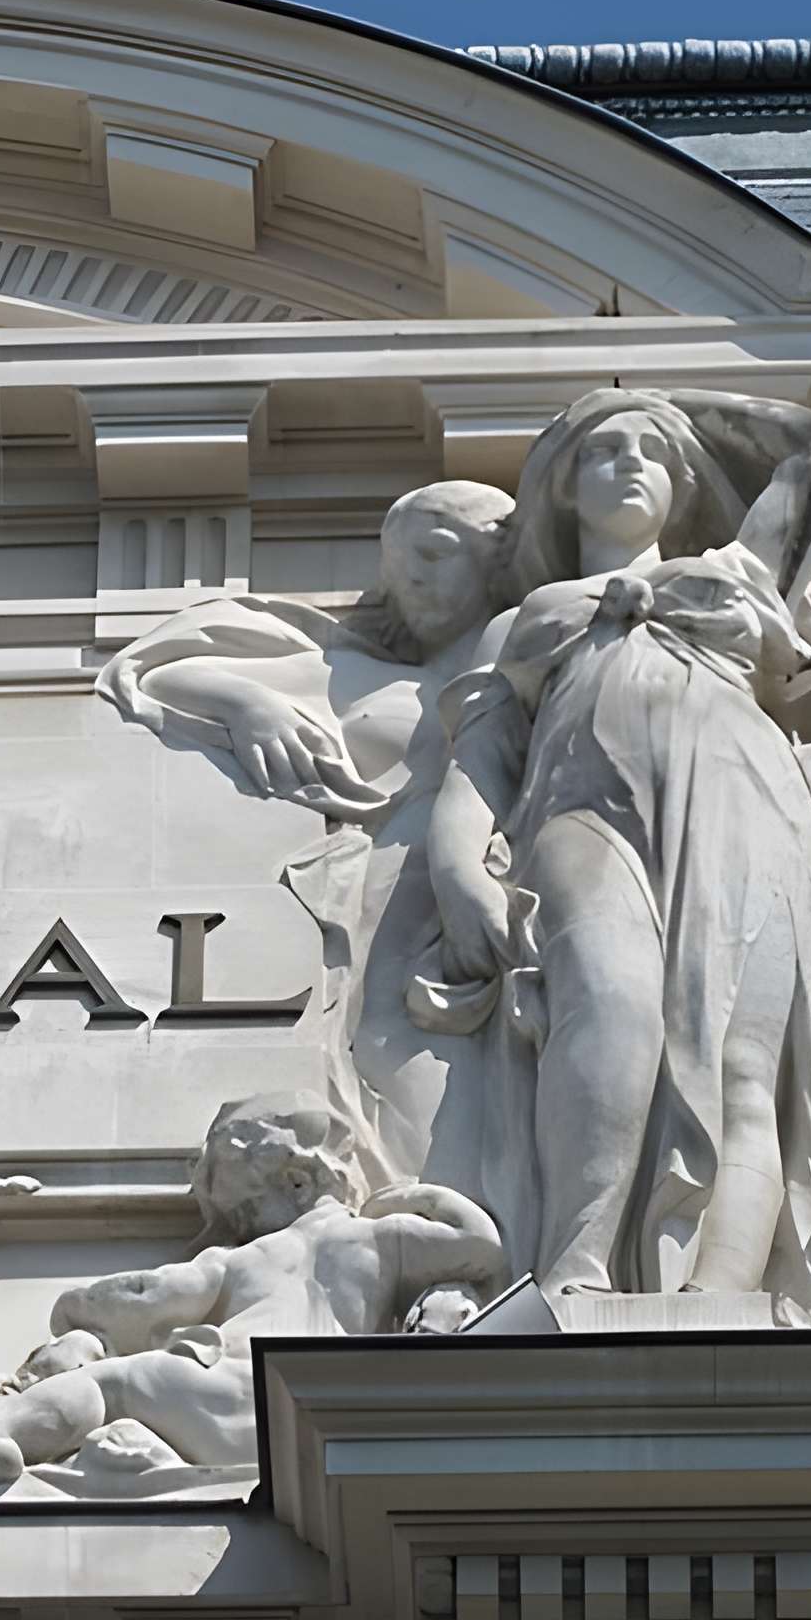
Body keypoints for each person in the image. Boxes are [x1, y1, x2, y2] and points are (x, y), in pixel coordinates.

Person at [418, 391, 811, 1311]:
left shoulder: (737, 575)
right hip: (582, 812)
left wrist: (673, 392)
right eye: (601, 451)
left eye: (653, 451)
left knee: (745, 1068)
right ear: (562, 490)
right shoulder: (534, 617)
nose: (628, 461)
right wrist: (453, 872)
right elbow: (476, 763)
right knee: (609, 1005)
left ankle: (722, 1295)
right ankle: (572, 1269)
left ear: (685, 484)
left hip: (747, 810)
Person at [101, 480, 516, 1194]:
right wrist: (249, 701)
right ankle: (429, 1219)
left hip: (493, 915)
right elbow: (158, 673)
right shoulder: (361, 679)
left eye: (436, 552)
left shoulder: (535, 675)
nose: (410, 577)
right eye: (397, 562)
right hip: (387, 919)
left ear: (501, 561)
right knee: (391, 1046)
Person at [0, 1093, 502, 1474]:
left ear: (298, 1180)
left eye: (246, 1209)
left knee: (108, 1383)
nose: (240, 1228)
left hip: (234, 1394)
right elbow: (481, 1246)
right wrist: (420, 1199)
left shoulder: (247, 1257)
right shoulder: (383, 1238)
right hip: (316, 1418)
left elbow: (151, 1295)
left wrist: (75, 1309)